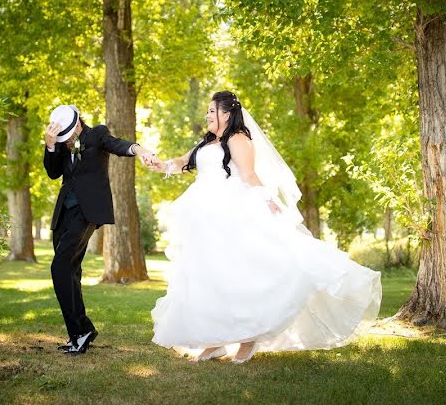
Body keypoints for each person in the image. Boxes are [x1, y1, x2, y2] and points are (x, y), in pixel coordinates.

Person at [148, 91, 382, 363]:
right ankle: (215, 341)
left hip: (230, 214)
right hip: (204, 217)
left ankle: (248, 339)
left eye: (212, 111)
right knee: (210, 275)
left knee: (239, 273)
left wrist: (269, 202)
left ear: (226, 114)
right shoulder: (207, 142)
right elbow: (180, 163)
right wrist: (161, 164)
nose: (208, 115)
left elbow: (249, 175)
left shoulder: (238, 139)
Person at [44, 104, 156, 355]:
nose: (67, 141)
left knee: (59, 266)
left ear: (78, 125)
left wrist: (139, 150)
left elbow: (116, 144)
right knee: (70, 271)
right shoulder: (60, 145)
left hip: (87, 212)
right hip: (64, 213)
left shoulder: (96, 135)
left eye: (68, 135)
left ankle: (80, 331)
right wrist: (51, 146)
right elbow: (53, 173)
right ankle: (80, 333)